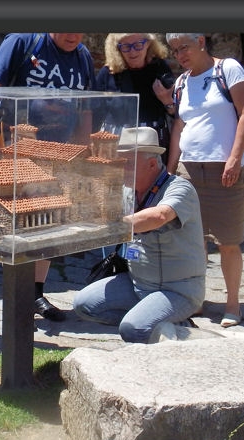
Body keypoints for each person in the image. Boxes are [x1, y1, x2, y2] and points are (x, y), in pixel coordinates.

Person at [0, 33, 97, 323]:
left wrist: (83, 154)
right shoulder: (21, 42)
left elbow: (86, 107)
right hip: (18, 150)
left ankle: (35, 292)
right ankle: (16, 295)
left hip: (59, 154)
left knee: (49, 223)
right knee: (18, 224)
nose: (74, 36)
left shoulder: (82, 56)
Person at [72, 127, 206, 344]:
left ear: (152, 164)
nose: (121, 169)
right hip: (138, 283)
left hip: (177, 289)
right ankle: (157, 322)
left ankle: (159, 324)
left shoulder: (180, 188)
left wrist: (114, 226)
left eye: (127, 163)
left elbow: (160, 215)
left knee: (132, 329)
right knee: (84, 305)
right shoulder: (128, 191)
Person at [164, 33, 244, 328]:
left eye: (185, 47)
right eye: (175, 51)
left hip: (223, 169)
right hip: (189, 170)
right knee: (194, 241)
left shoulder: (227, 69)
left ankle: (232, 304)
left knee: (228, 241)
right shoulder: (181, 83)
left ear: (200, 41)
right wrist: (171, 169)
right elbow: (180, 126)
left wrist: (233, 158)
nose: (180, 55)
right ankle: (196, 300)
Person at [95, 33, 176, 165]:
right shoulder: (108, 72)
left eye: (138, 45)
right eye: (126, 47)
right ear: (117, 48)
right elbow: (95, 112)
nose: (132, 52)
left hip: (151, 146)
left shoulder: (160, 68)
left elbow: (178, 116)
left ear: (149, 43)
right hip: (115, 148)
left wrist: (167, 102)